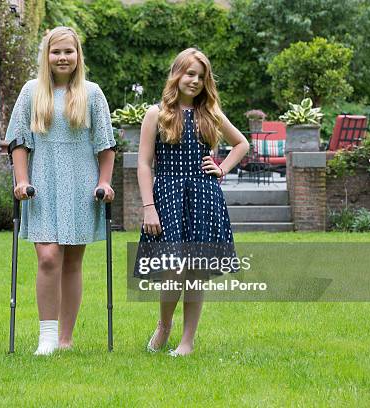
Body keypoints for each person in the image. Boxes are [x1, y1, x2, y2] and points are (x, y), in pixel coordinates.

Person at [5, 26, 116, 355]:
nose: (63, 57)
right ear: (46, 56)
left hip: (82, 183)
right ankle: (47, 337)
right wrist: (21, 181)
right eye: (56, 52)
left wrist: (104, 181)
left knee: (71, 262)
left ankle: (66, 338)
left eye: (69, 51)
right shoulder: (30, 92)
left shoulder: (92, 93)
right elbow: (19, 142)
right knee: (49, 258)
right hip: (43, 183)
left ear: (78, 55)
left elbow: (105, 145)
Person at [136, 48, 249, 357]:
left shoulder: (209, 113)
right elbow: (145, 164)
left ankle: (187, 342)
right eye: (190, 74)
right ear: (177, 75)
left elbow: (242, 143)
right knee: (172, 269)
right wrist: (149, 207)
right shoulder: (156, 114)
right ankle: (164, 325)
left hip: (203, 195)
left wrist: (222, 167)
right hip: (168, 196)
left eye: (201, 76)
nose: (195, 80)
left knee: (196, 270)